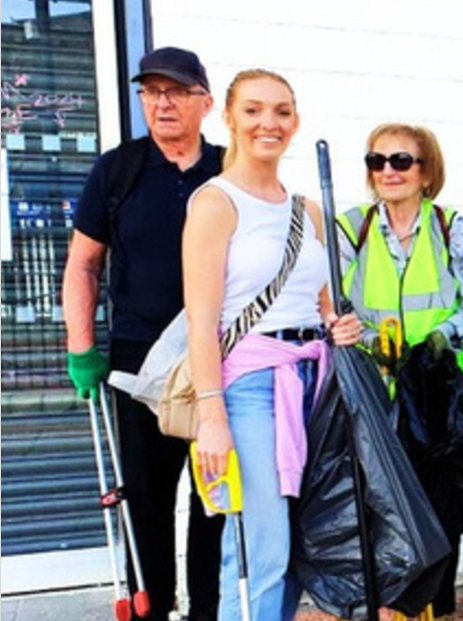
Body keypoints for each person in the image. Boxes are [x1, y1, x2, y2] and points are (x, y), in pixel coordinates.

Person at [184, 68, 363, 621]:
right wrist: (211, 414)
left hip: (313, 385)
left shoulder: (307, 210)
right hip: (251, 390)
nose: (270, 122)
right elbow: (202, 320)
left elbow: (325, 306)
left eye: (282, 111)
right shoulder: (215, 204)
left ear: (296, 122)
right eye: (255, 109)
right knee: (262, 548)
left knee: (300, 546)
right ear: (230, 118)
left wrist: (342, 325)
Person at [61, 46, 225, 621]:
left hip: (217, 360)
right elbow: (83, 264)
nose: (162, 102)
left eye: (176, 91)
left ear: (205, 102)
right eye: (151, 91)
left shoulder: (228, 171)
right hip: (137, 363)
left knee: (216, 503)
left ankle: (209, 610)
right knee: (145, 506)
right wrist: (82, 348)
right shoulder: (118, 169)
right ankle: (154, 611)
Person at [335, 122, 463, 620]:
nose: (388, 171)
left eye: (402, 161)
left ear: (427, 172)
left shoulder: (449, 227)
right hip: (373, 394)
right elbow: (332, 310)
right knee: (379, 508)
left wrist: (436, 343)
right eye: (377, 161)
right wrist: (374, 344)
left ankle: (436, 611)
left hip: (438, 394)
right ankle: (388, 610)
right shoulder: (349, 227)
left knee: (438, 513)